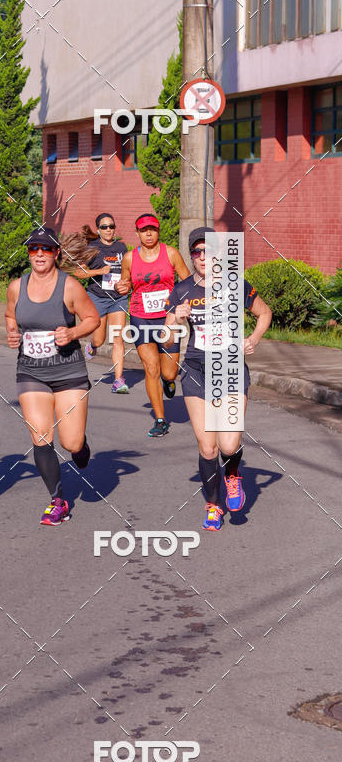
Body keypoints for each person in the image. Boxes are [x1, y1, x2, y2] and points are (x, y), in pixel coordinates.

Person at [163, 227, 272, 531]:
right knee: (208, 448)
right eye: (196, 252)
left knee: (228, 445)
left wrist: (253, 339)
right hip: (197, 369)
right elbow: (167, 340)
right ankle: (214, 506)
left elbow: (264, 313)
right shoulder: (182, 290)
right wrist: (176, 319)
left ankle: (233, 474)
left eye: (208, 250)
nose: (202, 257)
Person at [5, 225, 100, 526]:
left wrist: (72, 331)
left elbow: (93, 319)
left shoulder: (69, 286)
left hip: (68, 369)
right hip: (31, 370)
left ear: (56, 253)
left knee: (71, 443)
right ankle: (58, 500)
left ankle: (81, 446)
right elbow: (10, 315)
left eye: (46, 249)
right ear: (29, 254)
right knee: (41, 435)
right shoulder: (16, 287)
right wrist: (11, 331)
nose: (40, 254)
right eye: (34, 249)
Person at [116, 213, 190, 437]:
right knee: (151, 368)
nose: (148, 233)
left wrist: (183, 307)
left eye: (152, 229)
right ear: (137, 233)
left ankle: (169, 382)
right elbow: (125, 284)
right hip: (141, 316)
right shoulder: (129, 258)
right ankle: (160, 419)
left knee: (169, 373)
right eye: (143, 230)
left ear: (158, 231)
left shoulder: (171, 254)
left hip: (168, 318)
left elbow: (187, 282)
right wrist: (121, 288)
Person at [76, 213, 130, 393]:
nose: (109, 230)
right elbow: (79, 273)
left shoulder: (121, 247)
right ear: (98, 230)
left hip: (118, 298)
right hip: (98, 297)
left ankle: (118, 380)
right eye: (104, 227)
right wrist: (99, 271)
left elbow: (127, 272)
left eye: (111, 226)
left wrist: (126, 283)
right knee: (99, 339)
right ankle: (93, 345)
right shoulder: (92, 247)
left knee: (118, 338)